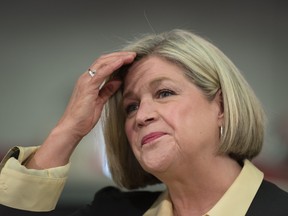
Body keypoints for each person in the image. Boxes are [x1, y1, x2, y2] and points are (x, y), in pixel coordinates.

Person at [0, 29, 288, 216]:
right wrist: (69, 128)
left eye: (164, 93)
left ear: (222, 107)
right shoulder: (110, 211)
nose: (141, 116)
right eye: (131, 106)